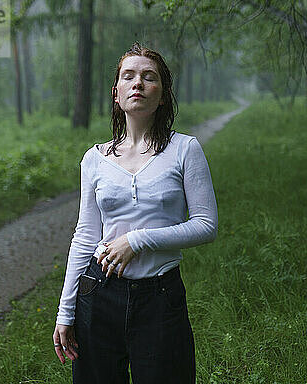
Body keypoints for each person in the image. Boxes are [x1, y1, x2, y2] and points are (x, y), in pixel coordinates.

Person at [52, 42, 218, 384]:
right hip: (98, 295)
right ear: (117, 94)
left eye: (148, 77)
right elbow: (85, 236)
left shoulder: (185, 150)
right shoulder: (95, 159)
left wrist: (138, 240)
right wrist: (65, 312)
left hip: (160, 300)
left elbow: (206, 225)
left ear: (163, 94)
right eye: (128, 77)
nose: (137, 83)